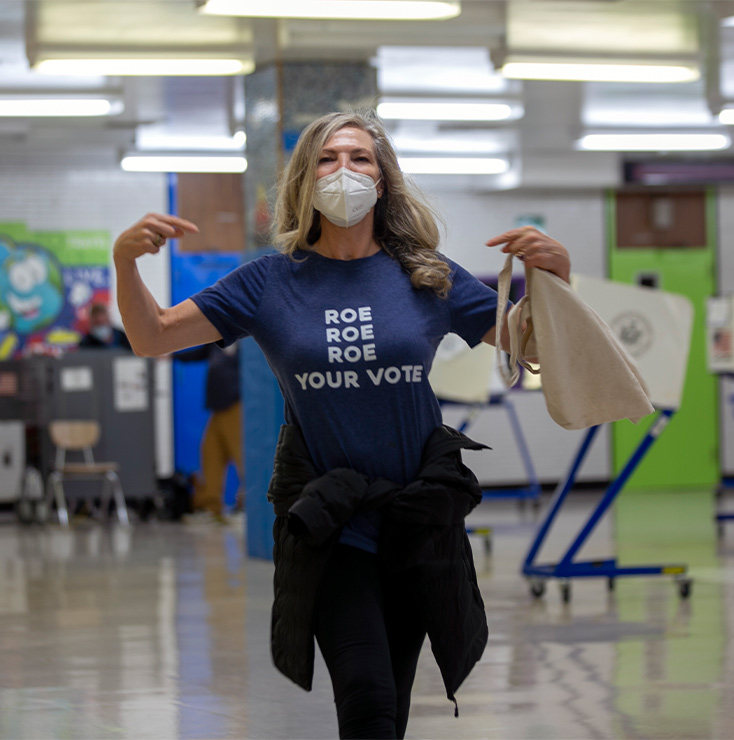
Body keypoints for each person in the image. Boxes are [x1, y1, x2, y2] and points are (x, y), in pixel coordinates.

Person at [113, 110, 570, 739]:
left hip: (416, 520)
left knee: (393, 708)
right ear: (305, 180)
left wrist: (556, 280)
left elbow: (534, 349)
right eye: (327, 159)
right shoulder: (269, 282)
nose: (344, 171)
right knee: (367, 701)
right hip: (331, 522)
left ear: (383, 180)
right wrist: (125, 265)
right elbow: (151, 335)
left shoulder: (426, 275)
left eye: (360, 158)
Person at [174, 343, 242, 523]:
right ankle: (212, 508)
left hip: (236, 406)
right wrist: (169, 355)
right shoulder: (217, 341)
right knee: (211, 453)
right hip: (217, 409)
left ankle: (248, 508)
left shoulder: (247, 341)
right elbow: (194, 354)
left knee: (243, 458)